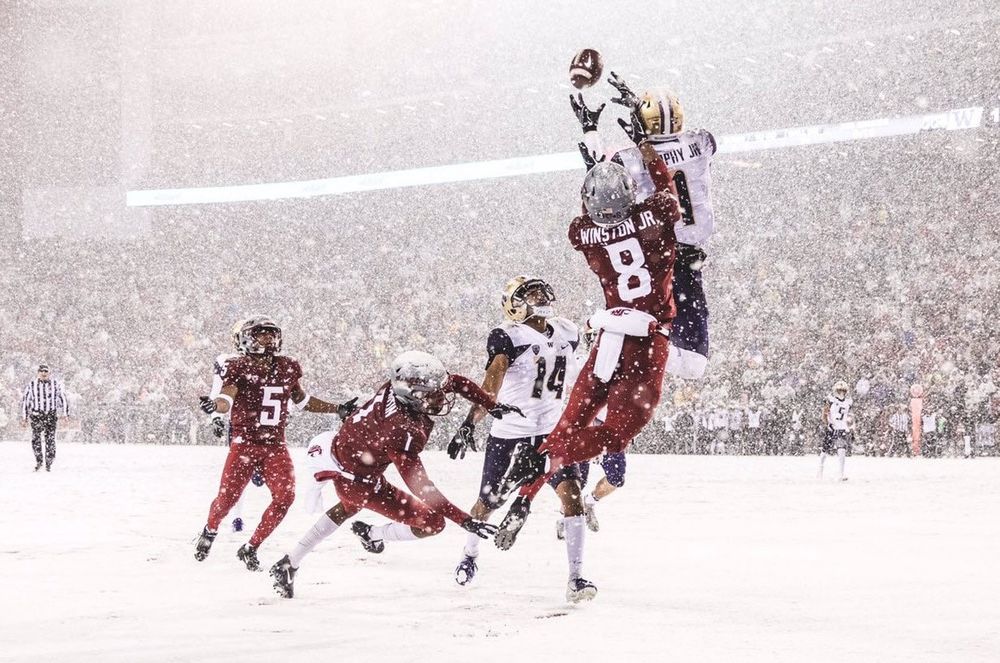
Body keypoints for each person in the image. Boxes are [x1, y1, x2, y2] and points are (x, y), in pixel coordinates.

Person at [494, 129, 683, 549]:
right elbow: (667, 192)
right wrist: (647, 149)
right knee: (615, 435)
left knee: (568, 425)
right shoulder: (655, 216)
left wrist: (594, 169)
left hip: (607, 338)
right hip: (646, 339)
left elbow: (594, 216)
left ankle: (530, 482)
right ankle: (540, 459)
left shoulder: (581, 232)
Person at [268, 350, 522, 599]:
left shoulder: (397, 389)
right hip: (358, 480)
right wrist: (464, 520)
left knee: (347, 507)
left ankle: (290, 563)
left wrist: (492, 405)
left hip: (347, 457)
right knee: (433, 523)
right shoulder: (402, 430)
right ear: (412, 396)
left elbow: (455, 382)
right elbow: (422, 486)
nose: (442, 399)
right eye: (433, 395)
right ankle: (371, 535)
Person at [446, 276, 598, 602]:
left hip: (553, 431)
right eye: (531, 293)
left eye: (542, 290)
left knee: (571, 497)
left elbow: (585, 362)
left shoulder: (567, 330)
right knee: (486, 504)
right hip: (512, 433)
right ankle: (469, 554)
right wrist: (470, 422)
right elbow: (492, 382)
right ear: (514, 304)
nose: (541, 296)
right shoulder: (508, 335)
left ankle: (576, 578)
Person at [572, 71, 717, 381]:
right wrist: (639, 106)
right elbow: (666, 147)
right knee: (692, 364)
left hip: (651, 251)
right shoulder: (702, 142)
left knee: (669, 353)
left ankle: (610, 332)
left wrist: (590, 130)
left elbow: (603, 176)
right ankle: (609, 332)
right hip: (684, 255)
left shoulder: (628, 158)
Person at [193, 316, 356, 571]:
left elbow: (302, 401)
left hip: (275, 446)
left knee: (285, 497)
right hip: (244, 444)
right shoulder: (237, 367)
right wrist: (215, 406)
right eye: (261, 334)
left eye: (271, 333)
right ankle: (210, 529)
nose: (268, 338)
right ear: (246, 338)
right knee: (227, 499)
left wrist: (337, 408)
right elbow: (226, 398)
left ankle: (251, 546)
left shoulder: (287, 366)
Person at [208, 319, 264, 533]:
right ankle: (237, 517)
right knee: (240, 473)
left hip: (265, 424)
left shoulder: (267, 360)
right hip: (240, 422)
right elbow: (217, 389)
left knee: (258, 477)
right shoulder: (226, 360)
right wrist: (215, 416)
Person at [20, 364, 70, 471]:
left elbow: (63, 398)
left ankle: (49, 462)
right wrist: (24, 417)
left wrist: (65, 414)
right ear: (38, 373)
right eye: (41, 371)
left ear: (49, 373)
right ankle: (39, 461)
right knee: (36, 439)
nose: (44, 373)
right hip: (37, 415)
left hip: (50, 415)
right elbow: (26, 401)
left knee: (50, 438)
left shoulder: (55, 384)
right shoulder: (32, 385)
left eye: (46, 371)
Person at [819, 381, 852, 481]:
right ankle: (820, 469)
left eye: (843, 391)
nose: (841, 392)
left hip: (841, 427)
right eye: (839, 390)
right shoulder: (831, 400)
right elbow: (824, 413)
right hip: (832, 427)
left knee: (842, 450)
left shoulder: (848, 402)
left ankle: (841, 473)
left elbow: (849, 415)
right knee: (825, 450)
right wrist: (827, 423)